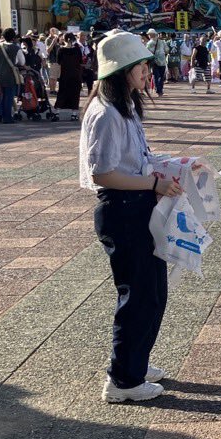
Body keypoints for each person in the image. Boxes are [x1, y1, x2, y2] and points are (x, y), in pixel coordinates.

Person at [80, 30, 188, 404]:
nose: (147, 71)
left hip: (137, 208)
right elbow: (102, 174)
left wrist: (173, 164)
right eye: (140, 65)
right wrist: (153, 184)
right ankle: (123, 380)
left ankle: (135, 364)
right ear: (121, 69)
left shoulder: (122, 107)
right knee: (138, 295)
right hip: (123, 211)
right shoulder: (107, 113)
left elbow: (136, 158)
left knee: (153, 292)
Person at [0, 28, 24, 124]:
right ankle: (7, 117)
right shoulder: (16, 48)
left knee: (1, 95)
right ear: (14, 37)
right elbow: (22, 62)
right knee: (9, 96)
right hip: (11, 74)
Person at [145, 29, 168, 96]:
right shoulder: (162, 42)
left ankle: (158, 90)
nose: (148, 36)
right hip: (163, 61)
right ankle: (160, 90)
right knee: (161, 77)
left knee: (156, 76)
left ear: (152, 35)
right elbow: (167, 50)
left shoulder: (149, 43)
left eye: (149, 34)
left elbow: (148, 52)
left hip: (154, 62)